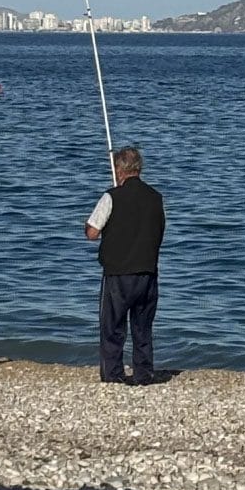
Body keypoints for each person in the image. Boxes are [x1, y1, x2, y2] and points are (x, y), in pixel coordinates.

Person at [84, 147, 165, 385]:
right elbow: (160, 230)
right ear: (139, 168)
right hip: (147, 272)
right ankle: (144, 374)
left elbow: (92, 232)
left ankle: (113, 374)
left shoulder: (111, 197)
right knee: (142, 328)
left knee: (112, 328)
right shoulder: (156, 198)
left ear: (119, 170)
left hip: (118, 274)